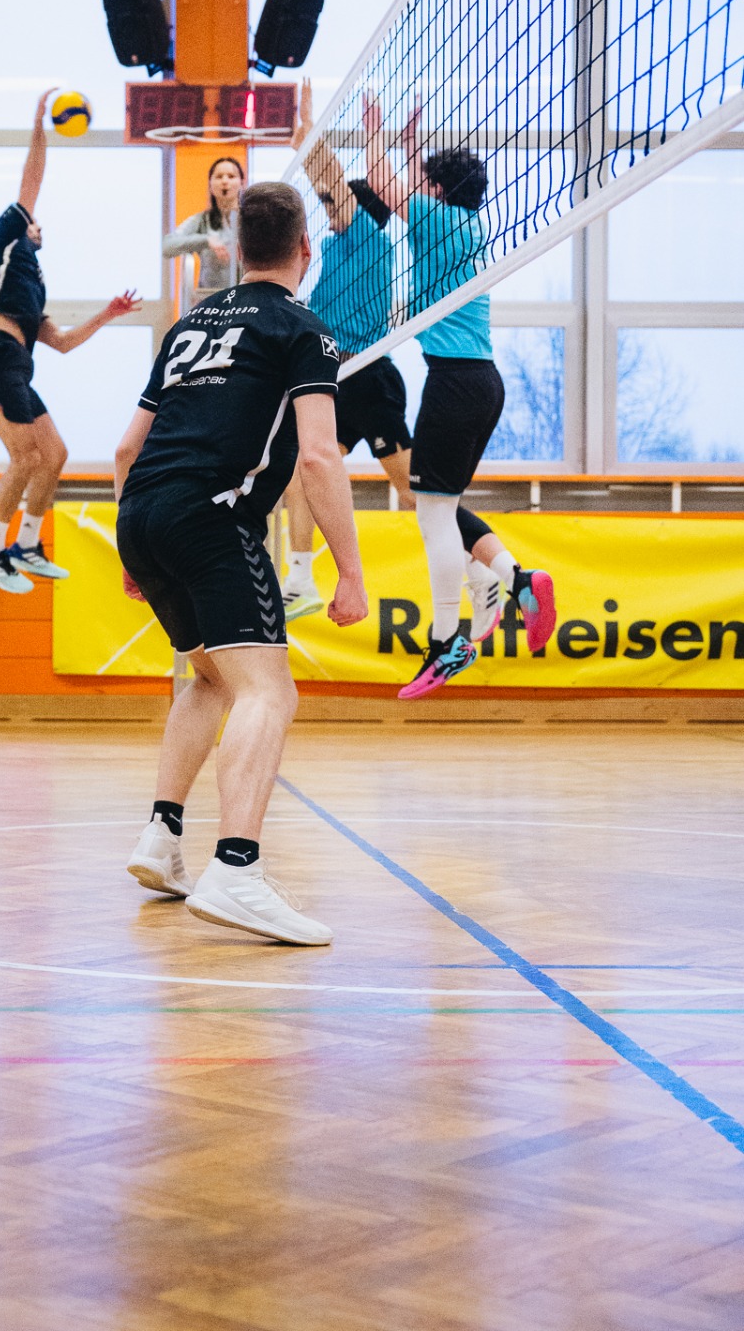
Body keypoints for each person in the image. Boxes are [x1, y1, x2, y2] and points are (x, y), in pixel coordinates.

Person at [115, 181, 367, 946]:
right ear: (304, 250)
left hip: (142, 513)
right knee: (269, 691)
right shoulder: (303, 329)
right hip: (212, 518)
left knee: (212, 677)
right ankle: (236, 870)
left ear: (242, 249)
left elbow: (126, 449)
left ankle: (162, 838)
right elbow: (319, 457)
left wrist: (134, 547)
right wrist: (350, 571)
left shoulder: (188, 326)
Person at [362, 93, 556, 698]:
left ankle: (447, 642)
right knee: (442, 507)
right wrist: (412, 146)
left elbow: (383, 185)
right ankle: (514, 582)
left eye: (425, 183)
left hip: (454, 384)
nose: (416, 190)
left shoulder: (437, 220)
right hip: (482, 384)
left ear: (437, 192)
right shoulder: (463, 224)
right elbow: (410, 185)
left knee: (432, 514)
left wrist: (376, 133)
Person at [0, 89, 142, 593]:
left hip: (17, 365)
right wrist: (39, 123)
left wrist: (107, 314)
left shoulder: (33, 285)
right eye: (34, 220)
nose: (38, 224)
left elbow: (60, 342)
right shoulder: (9, 240)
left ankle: (26, 545)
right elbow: (33, 178)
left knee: (55, 454)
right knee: (26, 457)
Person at [280, 80, 414, 622]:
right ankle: (300, 578)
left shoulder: (366, 238)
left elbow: (332, 182)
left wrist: (309, 135)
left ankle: (483, 562)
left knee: (416, 492)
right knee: (301, 471)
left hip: (369, 378)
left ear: (360, 209)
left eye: (339, 203)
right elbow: (332, 189)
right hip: (334, 379)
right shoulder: (339, 245)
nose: (330, 207)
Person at [161, 156, 244, 303]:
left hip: (246, 300)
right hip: (211, 302)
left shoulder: (252, 220)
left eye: (231, 176)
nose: (225, 181)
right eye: (219, 176)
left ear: (242, 183)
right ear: (210, 185)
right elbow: (167, 246)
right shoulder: (202, 220)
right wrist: (206, 240)